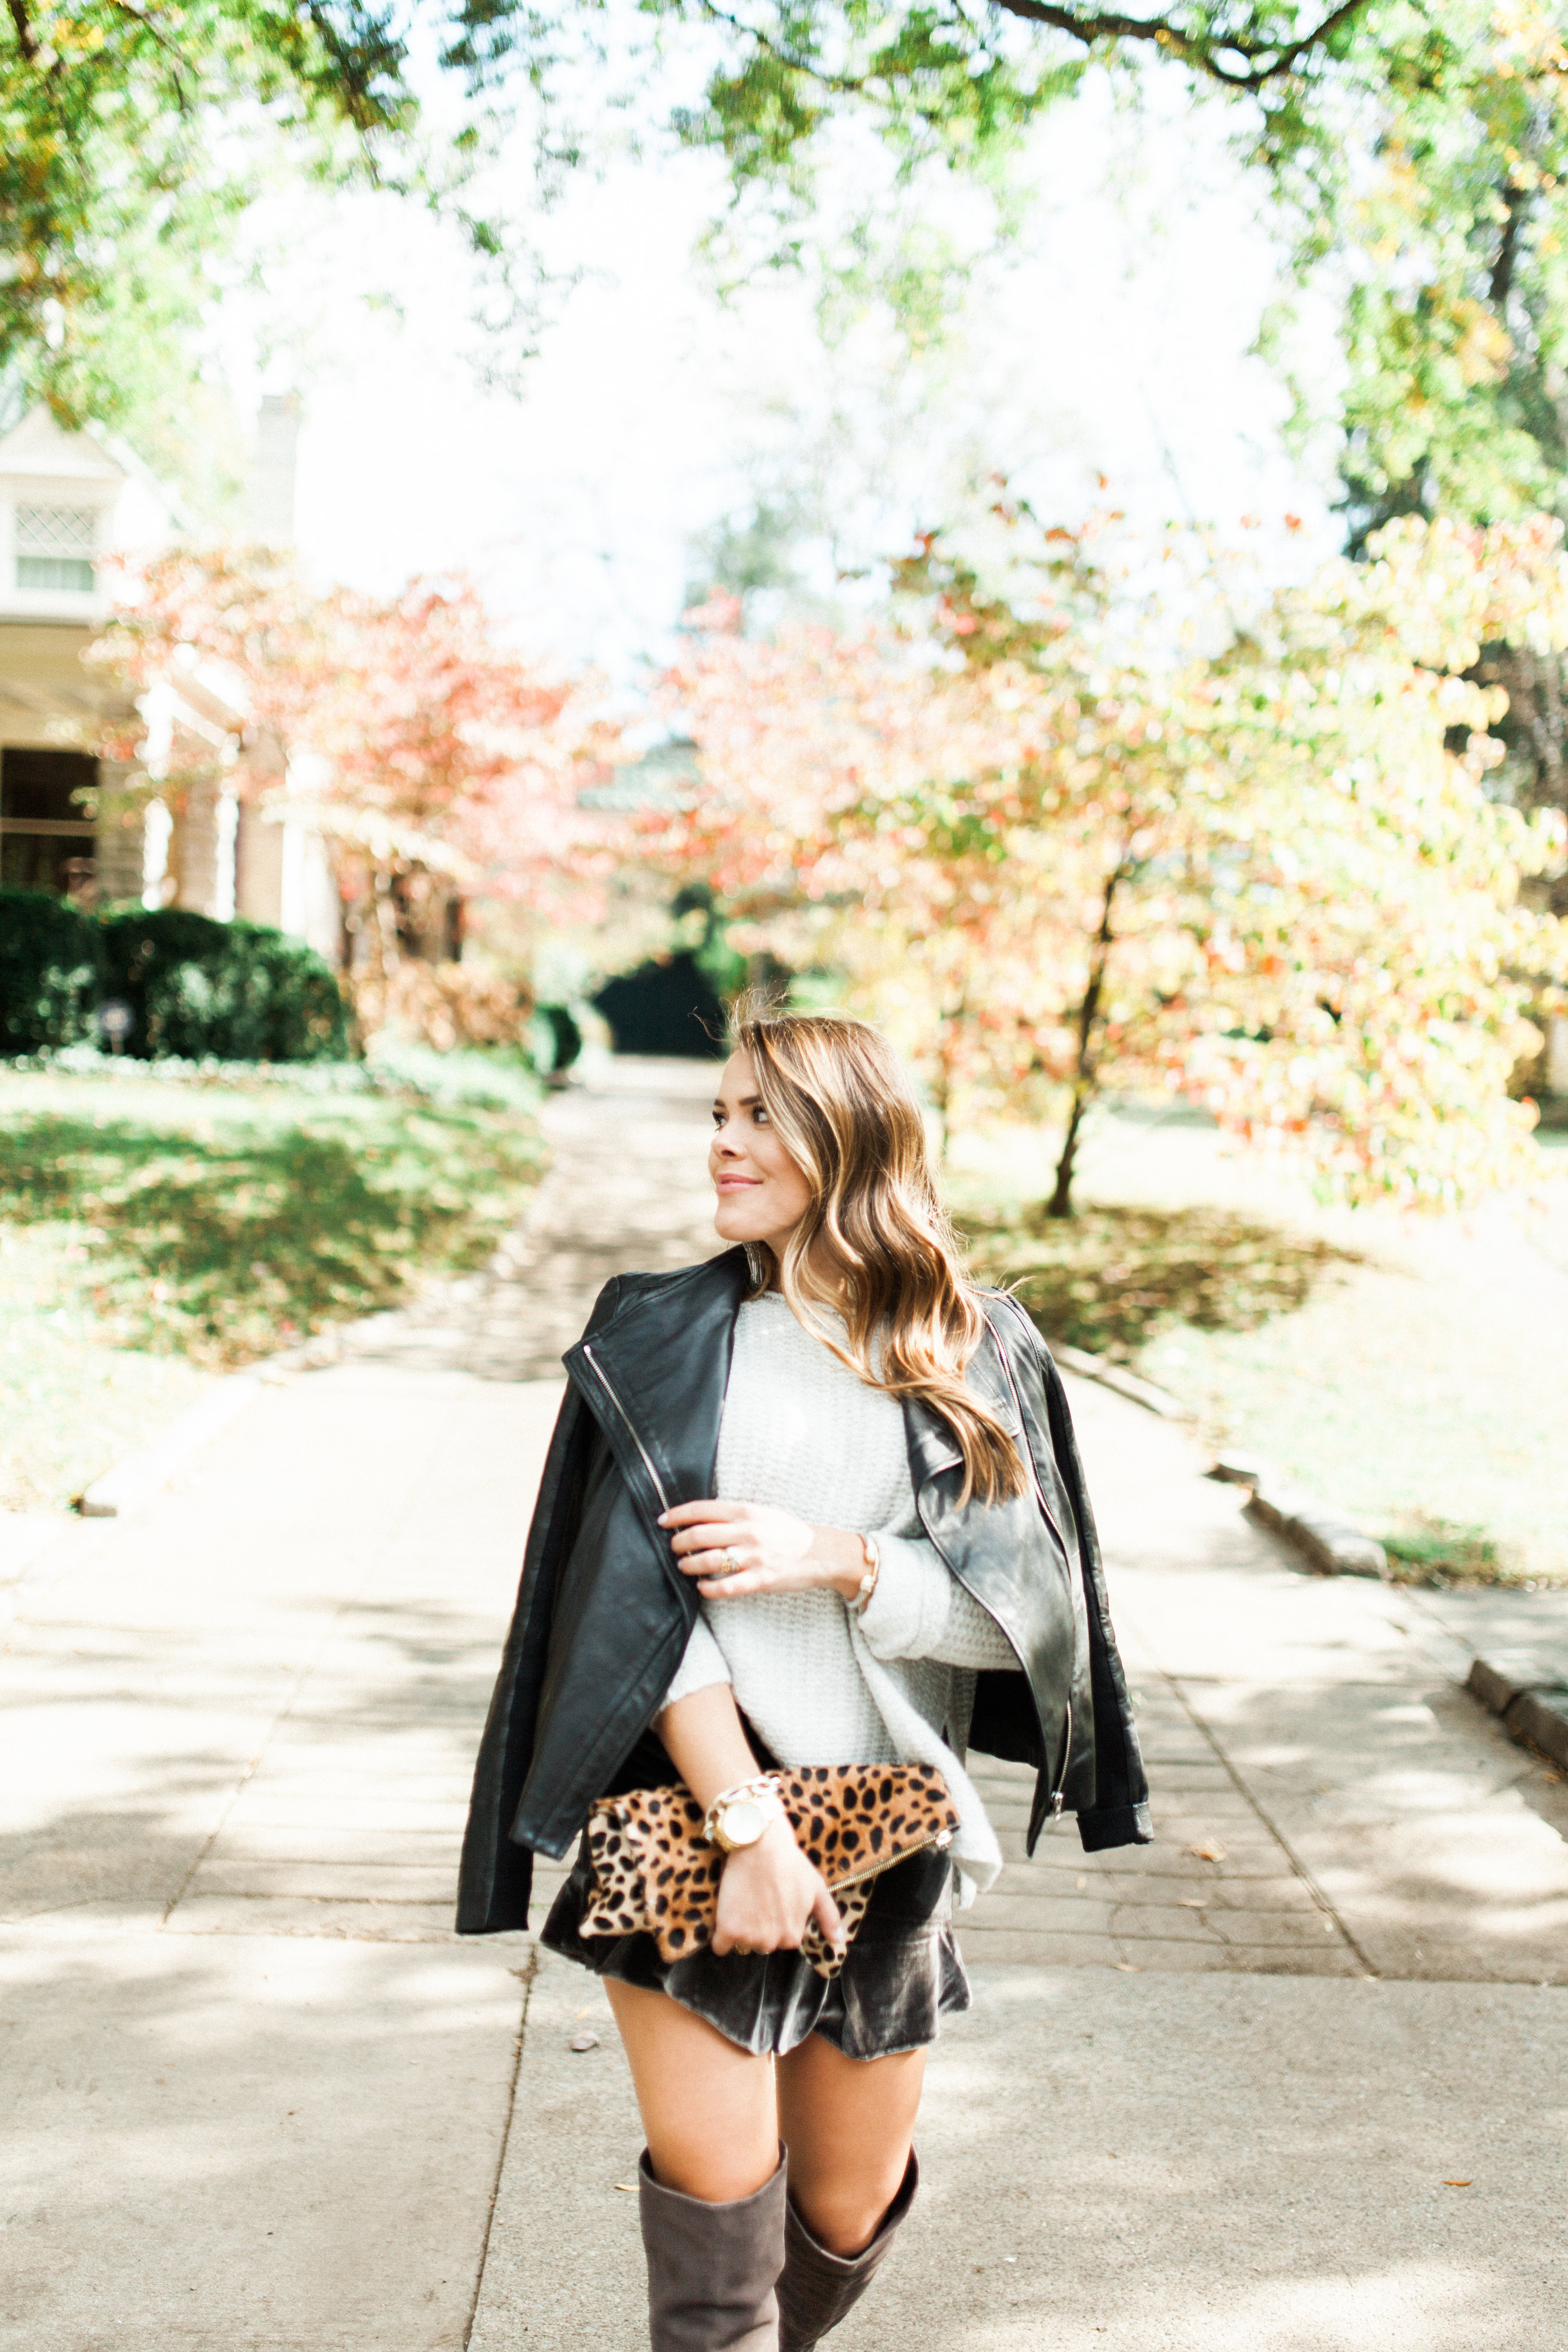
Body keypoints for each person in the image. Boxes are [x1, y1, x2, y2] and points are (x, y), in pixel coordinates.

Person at [458, 1007, 1149, 2351]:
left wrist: (833, 1557)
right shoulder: (665, 1334)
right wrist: (747, 1824)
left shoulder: (976, 1349)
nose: (721, 1140)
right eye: (717, 1112)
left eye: (757, 1114)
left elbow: (1021, 1624)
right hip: (695, 1813)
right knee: (717, 2244)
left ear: (849, 1133)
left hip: (893, 1823)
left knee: (841, 2213)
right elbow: (641, 1616)